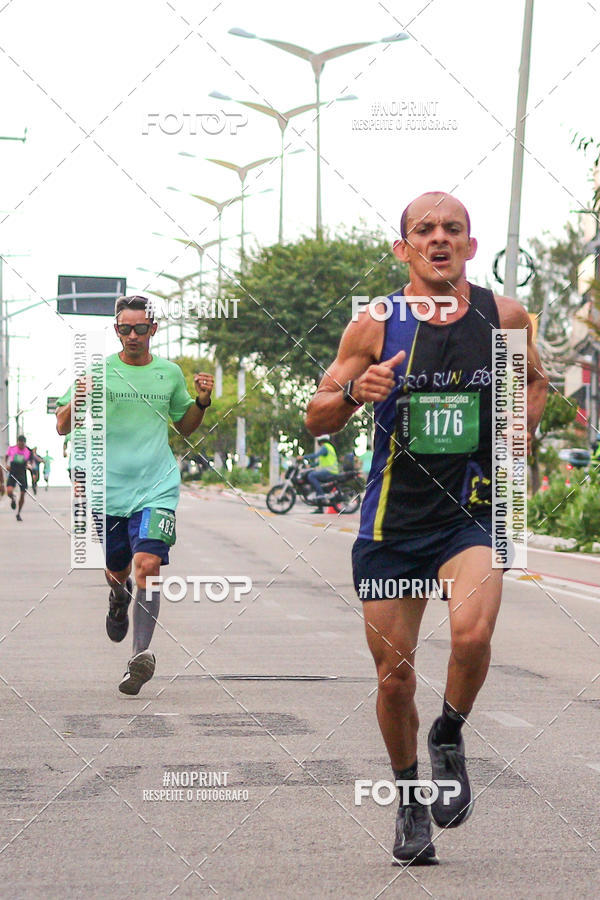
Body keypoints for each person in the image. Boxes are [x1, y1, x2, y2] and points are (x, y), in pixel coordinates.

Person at [305, 192, 548, 865]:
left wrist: (521, 423)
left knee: (472, 632)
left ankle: (451, 732)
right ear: (403, 248)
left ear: (471, 246)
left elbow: (534, 382)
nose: (439, 239)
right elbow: (316, 413)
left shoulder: (503, 315)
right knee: (395, 679)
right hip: (394, 519)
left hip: (475, 506)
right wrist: (357, 392)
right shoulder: (376, 325)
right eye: (424, 230)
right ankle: (409, 800)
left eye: (453, 230)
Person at [56, 295, 214, 695]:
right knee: (118, 570)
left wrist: (201, 402)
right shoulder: (97, 370)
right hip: (107, 491)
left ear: (153, 330)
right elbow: (61, 426)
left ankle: (139, 655)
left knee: (148, 566)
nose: (132, 336)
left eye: (140, 328)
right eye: (124, 329)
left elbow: (185, 427)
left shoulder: (169, 373)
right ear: (116, 331)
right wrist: (78, 396)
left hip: (156, 487)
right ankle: (116, 595)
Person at [298, 434, 339, 512]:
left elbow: (315, 455)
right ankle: (320, 508)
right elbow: (319, 463)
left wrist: (303, 457)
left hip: (330, 472)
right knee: (316, 484)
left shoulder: (325, 447)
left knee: (311, 476)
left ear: (320, 440)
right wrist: (310, 465)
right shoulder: (328, 447)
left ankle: (321, 495)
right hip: (330, 471)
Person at [3, 435, 32, 521]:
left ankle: (18, 513)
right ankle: (13, 498)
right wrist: (6, 464)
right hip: (13, 472)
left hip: (22, 473)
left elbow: (30, 462)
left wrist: (29, 466)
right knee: (9, 491)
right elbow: (6, 456)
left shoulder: (28, 451)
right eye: (20, 444)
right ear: (17, 442)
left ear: (25, 443)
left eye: (23, 444)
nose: (21, 446)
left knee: (23, 494)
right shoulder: (12, 449)